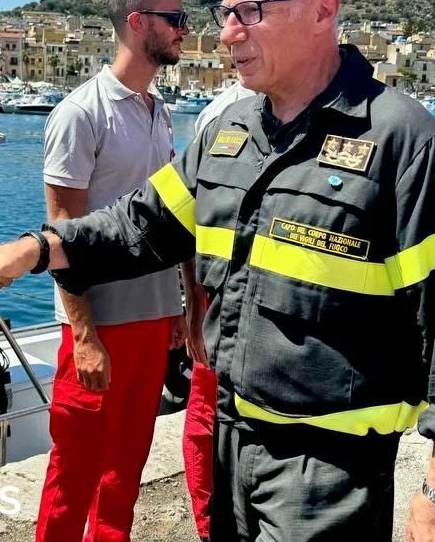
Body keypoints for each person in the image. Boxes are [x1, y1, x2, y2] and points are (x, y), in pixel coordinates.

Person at [0, 0, 435, 541]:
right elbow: (136, 226)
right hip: (230, 443)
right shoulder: (228, 131)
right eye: (225, 15)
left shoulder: (405, 140)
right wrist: (35, 249)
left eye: (250, 13)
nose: (226, 34)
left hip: (326, 470)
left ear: (323, 10)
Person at [36, 0, 195, 541]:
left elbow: (172, 218)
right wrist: (82, 333)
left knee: (125, 471)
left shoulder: (159, 111)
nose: (185, 29)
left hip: (153, 320)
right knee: (73, 472)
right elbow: (61, 231)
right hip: (99, 324)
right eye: (174, 18)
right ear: (136, 22)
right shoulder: (81, 114)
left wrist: (180, 303)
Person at [183, 79, 257, 542]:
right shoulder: (221, 117)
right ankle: (209, 525)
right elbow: (187, 220)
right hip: (221, 302)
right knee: (207, 419)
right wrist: (193, 308)